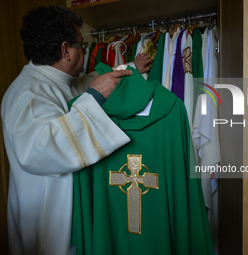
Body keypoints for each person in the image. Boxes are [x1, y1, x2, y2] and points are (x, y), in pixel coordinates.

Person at [1, 5, 152, 255]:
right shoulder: (27, 93)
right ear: (65, 50)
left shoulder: (54, 79)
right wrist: (93, 98)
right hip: (49, 223)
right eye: (81, 46)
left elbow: (89, 83)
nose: (84, 51)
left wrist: (131, 68)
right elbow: (38, 149)